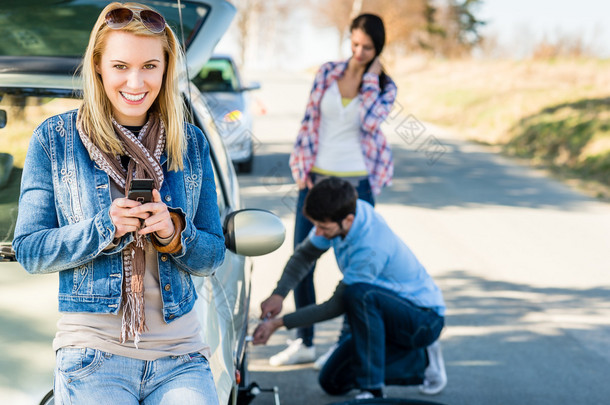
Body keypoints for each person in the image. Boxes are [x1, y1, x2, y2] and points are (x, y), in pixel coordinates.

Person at [12, 3, 225, 404]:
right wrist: (103, 228)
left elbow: (212, 257)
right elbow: (30, 251)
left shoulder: (191, 143)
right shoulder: (54, 140)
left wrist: (174, 233)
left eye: (149, 66)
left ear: (165, 68)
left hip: (180, 355)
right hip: (93, 354)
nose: (135, 81)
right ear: (98, 67)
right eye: (120, 66)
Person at [274, 13, 398, 368]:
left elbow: (371, 122)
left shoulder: (385, 86)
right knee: (304, 258)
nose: (359, 52)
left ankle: (344, 345)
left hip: (357, 183)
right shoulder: (327, 71)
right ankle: (305, 341)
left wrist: (371, 80)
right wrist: (300, 167)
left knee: (357, 270)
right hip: (316, 178)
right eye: (355, 44)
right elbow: (308, 119)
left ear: (378, 49)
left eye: (367, 48)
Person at [253, 177, 447, 399]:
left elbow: (334, 306)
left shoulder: (371, 245)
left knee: (359, 295)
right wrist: (279, 294)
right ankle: (422, 361)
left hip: (423, 319)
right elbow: (304, 256)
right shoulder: (343, 211)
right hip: (386, 313)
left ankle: (372, 389)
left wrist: (278, 324)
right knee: (332, 381)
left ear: (348, 220)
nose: (317, 232)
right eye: (316, 225)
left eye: (323, 227)